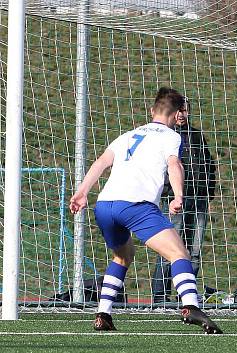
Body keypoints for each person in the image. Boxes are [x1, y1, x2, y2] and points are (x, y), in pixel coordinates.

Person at [69, 87, 222, 334]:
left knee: (122, 256)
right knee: (180, 254)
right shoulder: (172, 136)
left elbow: (101, 162)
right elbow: (175, 165)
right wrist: (179, 196)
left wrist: (82, 191)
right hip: (136, 206)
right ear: (176, 115)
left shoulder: (127, 135)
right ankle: (190, 306)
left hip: (106, 206)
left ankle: (103, 314)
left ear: (152, 110)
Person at [152, 98, 217, 304]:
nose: (181, 114)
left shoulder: (196, 135)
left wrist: (208, 192)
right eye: (177, 110)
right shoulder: (164, 136)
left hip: (198, 200)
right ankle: (160, 298)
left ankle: (186, 297)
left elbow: (209, 165)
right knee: (168, 250)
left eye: (185, 110)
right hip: (173, 201)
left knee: (194, 251)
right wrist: (169, 192)